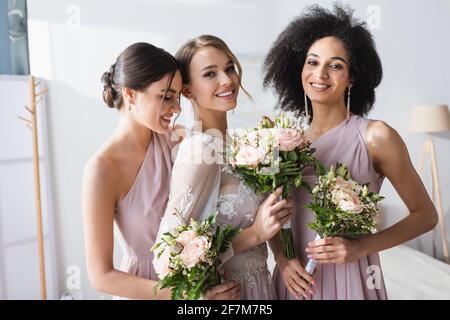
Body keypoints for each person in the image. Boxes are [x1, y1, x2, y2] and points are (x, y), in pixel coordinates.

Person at [263, 4, 438, 300]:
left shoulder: (376, 136)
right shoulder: (282, 143)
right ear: (300, 69)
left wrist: (360, 247)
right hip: (294, 282)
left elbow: (426, 216)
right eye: (312, 62)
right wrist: (282, 259)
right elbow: (274, 216)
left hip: (351, 278)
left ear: (352, 77)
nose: (320, 74)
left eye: (335, 65)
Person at [82, 42, 239, 299]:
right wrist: (190, 296)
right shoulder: (101, 170)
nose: (177, 108)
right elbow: (101, 276)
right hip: (148, 290)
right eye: (166, 97)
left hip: (199, 283)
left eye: (178, 96)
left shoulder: (179, 141)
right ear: (131, 94)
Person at [153, 35, 293, 299]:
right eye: (210, 74)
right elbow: (166, 258)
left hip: (260, 287)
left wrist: (283, 256)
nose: (227, 80)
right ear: (188, 90)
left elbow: (269, 219)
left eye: (229, 68)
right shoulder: (200, 150)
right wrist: (253, 234)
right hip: (230, 293)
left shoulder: (243, 144)